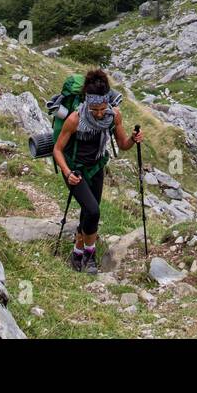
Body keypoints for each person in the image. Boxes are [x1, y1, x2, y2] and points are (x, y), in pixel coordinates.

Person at [52, 67, 141, 273]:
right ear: (87, 103)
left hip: (97, 167)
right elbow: (57, 149)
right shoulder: (75, 119)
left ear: (107, 102)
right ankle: (89, 257)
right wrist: (67, 173)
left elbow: (122, 144)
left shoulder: (114, 115)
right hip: (75, 170)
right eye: (95, 110)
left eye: (102, 109)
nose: (100, 114)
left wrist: (133, 140)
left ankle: (77, 253)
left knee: (88, 212)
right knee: (94, 210)